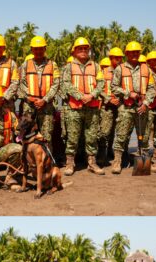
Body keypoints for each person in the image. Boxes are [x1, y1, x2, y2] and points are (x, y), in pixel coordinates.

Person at [110, 41, 156, 174]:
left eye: (137, 52)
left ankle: (145, 161)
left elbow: (152, 88)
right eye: (132, 52)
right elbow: (113, 87)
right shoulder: (120, 69)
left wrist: (146, 103)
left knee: (144, 136)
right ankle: (117, 162)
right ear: (127, 54)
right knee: (121, 136)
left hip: (142, 108)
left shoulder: (146, 69)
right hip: (126, 108)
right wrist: (128, 93)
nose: (134, 54)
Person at [61, 37, 104, 176]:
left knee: (92, 137)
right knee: (72, 137)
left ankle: (92, 163)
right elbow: (66, 84)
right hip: (74, 107)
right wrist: (81, 96)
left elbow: (101, 83)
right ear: (74, 51)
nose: (83, 50)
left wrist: (91, 95)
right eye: (80, 48)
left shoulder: (96, 66)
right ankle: (70, 163)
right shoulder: (68, 67)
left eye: (86, 48)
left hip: (92, 106)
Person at [17, 36, 59, 146]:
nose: (38, 51)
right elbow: (21, 83)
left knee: (46, 136)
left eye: (41, 48)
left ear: (45, 49)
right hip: (29, 106)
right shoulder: (25, 65)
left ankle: (46, 156)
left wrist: (44, 100)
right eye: (36, 49)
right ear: (32, 50)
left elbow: (56, 84)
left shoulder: (53, 65)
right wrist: (30, 98)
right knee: (27, 134)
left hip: (47, 106)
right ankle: (27, 156)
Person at [97, 48, 123, 166]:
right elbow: (98, 88)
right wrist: (109, 99)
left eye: (120, 58)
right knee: (104, 131)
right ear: (111, 58)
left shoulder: (124, 71)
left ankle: (111, 150)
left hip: (120, 105)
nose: (119, 60)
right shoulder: (103, 72)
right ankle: (101, 153)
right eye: (116, 58)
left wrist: (120, 99)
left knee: (117, 130)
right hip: (107, 105)